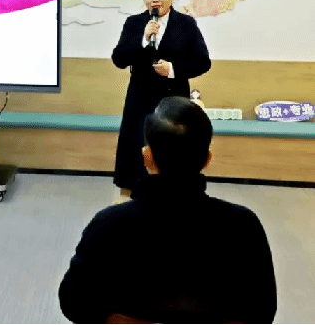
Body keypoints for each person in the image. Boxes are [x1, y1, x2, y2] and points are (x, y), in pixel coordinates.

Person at [58, 96, 277, 323]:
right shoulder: (243, 225)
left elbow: (73, 301)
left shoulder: (109, 224)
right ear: (207, 159)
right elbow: (262, 312)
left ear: (147, 157)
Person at [111, 0, 211, 195]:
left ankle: (174, 196)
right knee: (138, 150)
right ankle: (135, 197)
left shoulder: (186, 24)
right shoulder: (134, 23)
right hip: (140, 99)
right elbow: (119, 59)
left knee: (172, 150)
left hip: (173, 100)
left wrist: (173, 69)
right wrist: (143, 40)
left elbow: (203, 62)